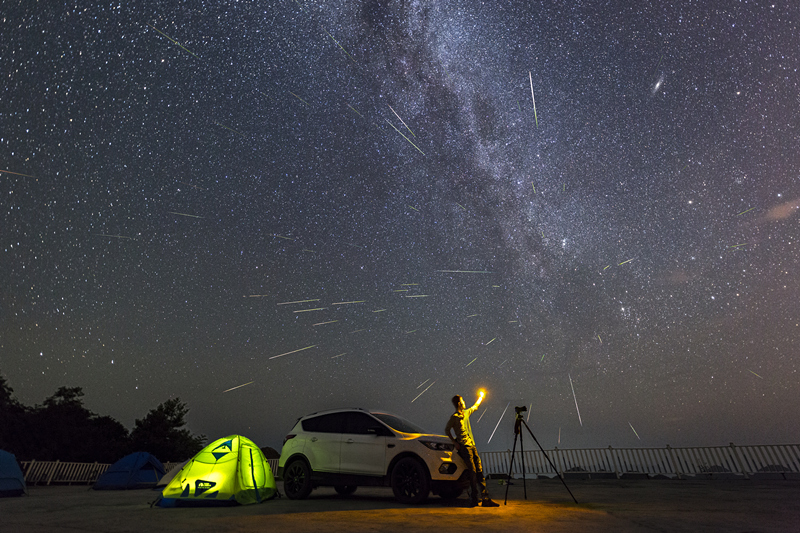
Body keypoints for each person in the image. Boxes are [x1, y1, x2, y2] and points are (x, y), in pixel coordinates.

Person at [445, 391, 499, 507]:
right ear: (459, 403)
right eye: (463, 401)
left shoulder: (466, 413)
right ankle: (474, 499)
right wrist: (455, 442)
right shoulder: (454, 417)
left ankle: (485, 499)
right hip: (464, 447)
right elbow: (447, 430)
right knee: (473, 472)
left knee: (479, 470)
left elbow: (475, 406)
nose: (464, 403)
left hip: (472, 445)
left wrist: (481, 397)